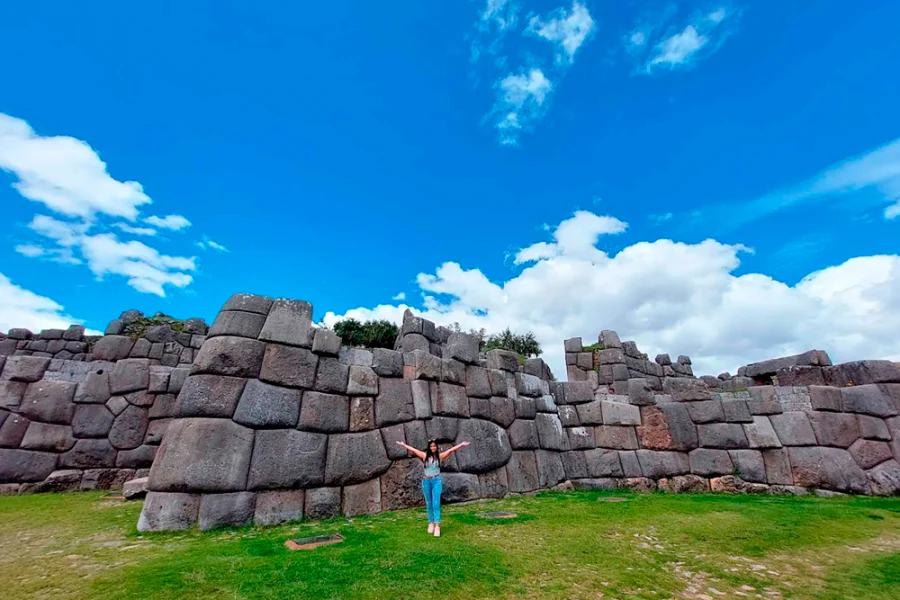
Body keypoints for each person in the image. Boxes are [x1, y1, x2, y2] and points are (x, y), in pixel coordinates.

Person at [395, 438, 470, 537]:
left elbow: (450, 450)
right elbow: (414, 450)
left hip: (436, 481)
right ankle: (431, 523)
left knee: (436, 503)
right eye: (431, 446)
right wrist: (404, 445)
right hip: (426, 481)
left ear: (436, 447)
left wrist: (461, 445)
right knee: (429, 503)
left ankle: (437, 525)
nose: (433, 447)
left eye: (434, 446)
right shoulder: (424, 456)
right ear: (429, 447)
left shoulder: (440, 456)